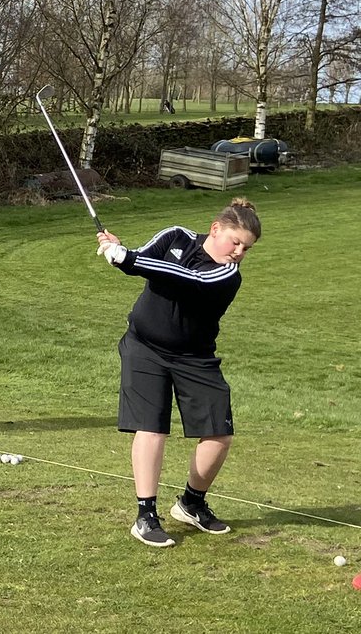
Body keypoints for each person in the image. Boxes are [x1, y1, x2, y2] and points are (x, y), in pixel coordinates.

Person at [96, 197, 262, 547]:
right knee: (151, 428)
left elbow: (185, 279)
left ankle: (191, 503)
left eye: (246, 249)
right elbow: (143, 259)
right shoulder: (176, 236)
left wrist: (128, 258)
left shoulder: (226, 275)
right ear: (215, 229)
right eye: (235, 242)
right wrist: (117, 251)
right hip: (144, 347)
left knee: (219, 433)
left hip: (195, 356)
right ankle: (145, 516)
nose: (239, 253)